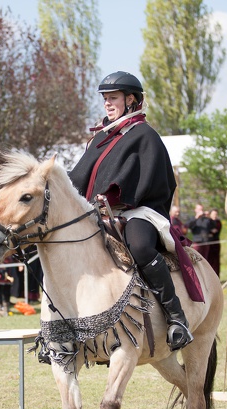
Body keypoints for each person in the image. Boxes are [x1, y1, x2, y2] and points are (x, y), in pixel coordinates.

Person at [67, 71, 193, 350]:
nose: (107, 104)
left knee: (140, 246)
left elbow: (153, 179)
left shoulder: (145, 135)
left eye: (113, 98)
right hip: (97, 213)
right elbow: (78, 178)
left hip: (139, 211)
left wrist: (115, 195)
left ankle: (177, 318)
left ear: (132, 100)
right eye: (105, 99)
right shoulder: (99, 138)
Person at [206, 209, 222, 278]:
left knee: (216, 261)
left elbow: (216, 231)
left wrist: (211, 232)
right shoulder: (208, 221)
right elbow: (206, 230)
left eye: (216, 214)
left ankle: (216, 276)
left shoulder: (218, 222)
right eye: (213, 214)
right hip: (209, 244)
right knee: (209, 259)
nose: (215, 216)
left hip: (216, 243)